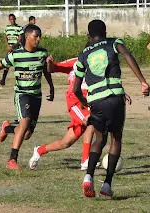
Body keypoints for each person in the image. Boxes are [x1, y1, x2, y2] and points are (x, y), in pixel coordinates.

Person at [74, 19, 149, 198]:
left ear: (89, 35)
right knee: (116, 137)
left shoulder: (83, 54)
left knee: (99, 139)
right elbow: (128, 56)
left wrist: (84, 101)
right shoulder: (114, 42)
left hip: (96, 101)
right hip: (115, 98)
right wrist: (142, 81)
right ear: (105, 32)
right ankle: (107, 184)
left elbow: (75, 88)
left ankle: (88, 177)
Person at [0, 25, 52, 170]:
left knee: (26, 134)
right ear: (27, 36)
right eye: (36, 36)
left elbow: (46, 70)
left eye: (40, 36)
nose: (39, 39)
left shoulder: (43, 53)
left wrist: (51, 85)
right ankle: (12, 160)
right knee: (24, 122)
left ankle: (7, 128)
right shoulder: (15, 54)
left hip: (36, 96)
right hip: (22, 94)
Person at [28, 57, 94, 170]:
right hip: (76, 101)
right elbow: (53, 68)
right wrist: (49, 63)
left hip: (90, 101)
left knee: (66, 142)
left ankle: (40, 150)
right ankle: (85, 160)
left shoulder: (99, 63)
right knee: (91, 121)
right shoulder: (76, 62)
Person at [0, 14, 23, 86]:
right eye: (11, 19)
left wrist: (14, 46)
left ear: (15, 19)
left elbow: (20, 39)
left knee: (18, 65)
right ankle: (3, 80)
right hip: (10, 48)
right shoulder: (7, 28)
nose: (12, 21)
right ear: (9, 20)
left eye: (13, 19)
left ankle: (20, 81)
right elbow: (5, 37)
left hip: (17, 49)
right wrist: (8, 45)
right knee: (6, 65)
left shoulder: (19, 28)